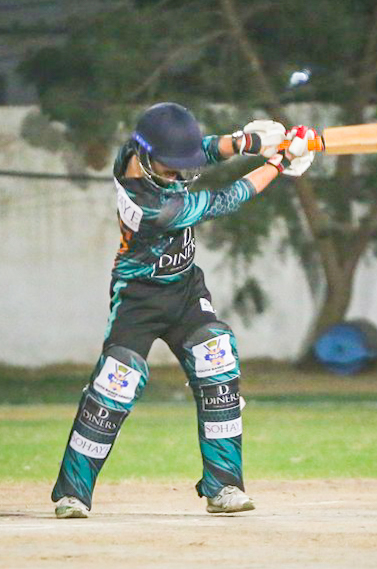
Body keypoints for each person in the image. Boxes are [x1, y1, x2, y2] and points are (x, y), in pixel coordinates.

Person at [51, 102, 316, 518]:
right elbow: (227, 198)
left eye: (182, 168)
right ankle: (73, 494)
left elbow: (201, 150)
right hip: (138, 297)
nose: (179, 176)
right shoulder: (152, 206)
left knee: (217, 357)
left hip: (185, 291)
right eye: (171, 169)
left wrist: (246, 142)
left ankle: (223, 486)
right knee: (117, 381)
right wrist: (279, 162)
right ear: (145, 156)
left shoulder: (141, 151)